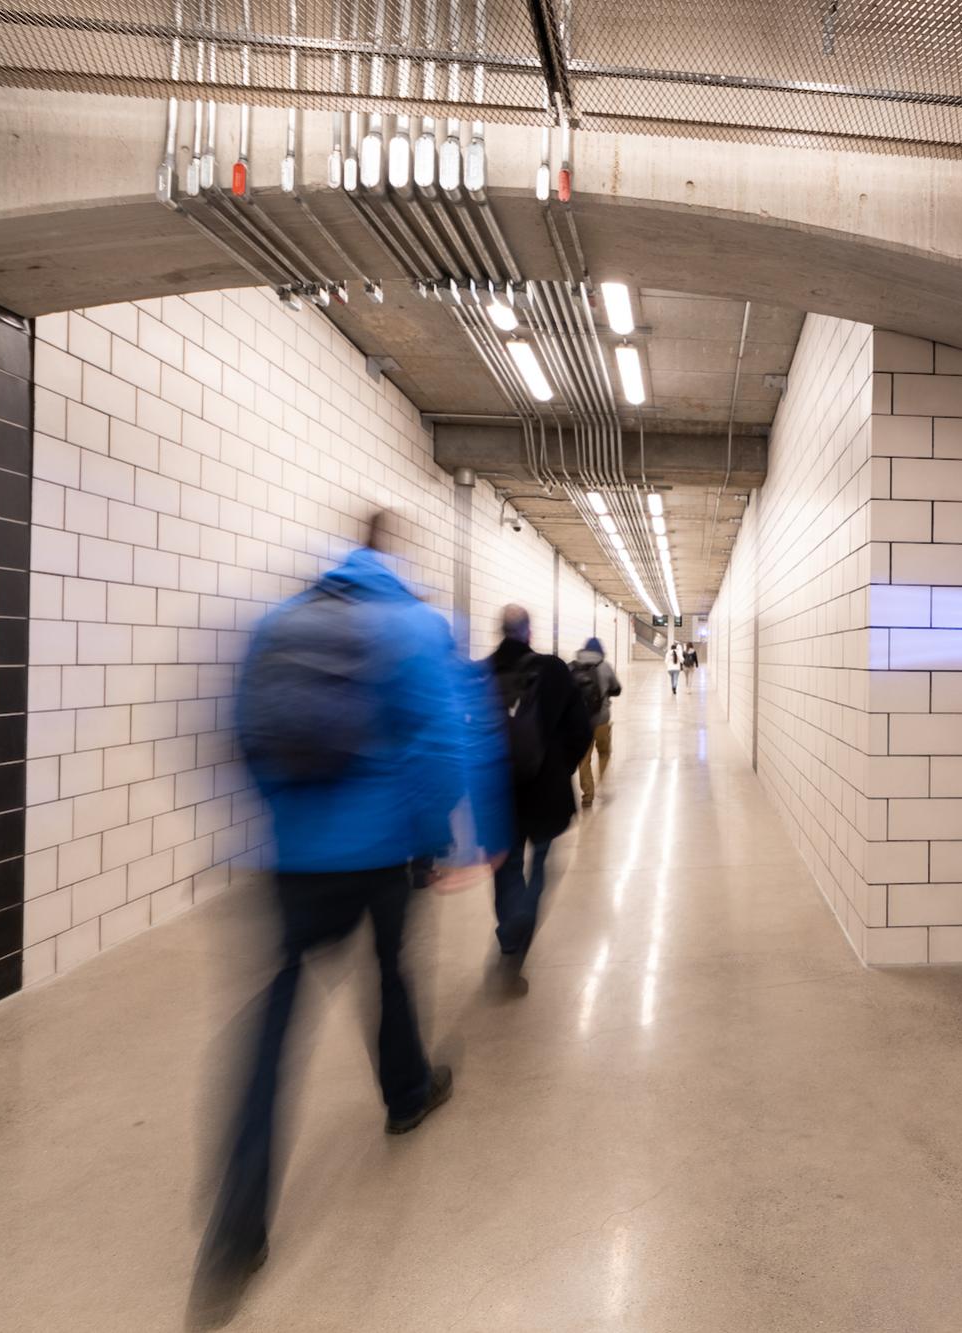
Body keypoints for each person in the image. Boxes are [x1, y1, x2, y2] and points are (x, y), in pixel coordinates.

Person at [193, 512, 508, 1325]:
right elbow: (444, 744)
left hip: (293, 856)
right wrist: (437, 838)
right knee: (391, 971)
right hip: (380, 853)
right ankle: (406, 1093)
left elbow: (234, 733)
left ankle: (235, 1227)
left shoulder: (278, 620)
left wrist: (285, 823)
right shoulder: (412, 626)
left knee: (272, 1021)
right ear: (395, 563)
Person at [487, 606, 593, 967]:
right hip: (546, 790)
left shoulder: (483, 673)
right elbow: (581, 729)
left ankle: (509, 928)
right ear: (529, 632)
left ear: (500, 631)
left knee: (507, 865)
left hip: (500, 791)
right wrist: (560, 768)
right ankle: (523, 920)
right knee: (542, 860)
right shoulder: (553, 670)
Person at [571, 637, 621, 809]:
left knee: (584, 760)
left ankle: (588, 795)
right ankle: (600, 782)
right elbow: (617, 688)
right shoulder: (605, 666)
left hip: (580, 723)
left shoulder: (572, 667)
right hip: (602, 720)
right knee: (604, 752)